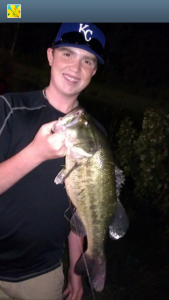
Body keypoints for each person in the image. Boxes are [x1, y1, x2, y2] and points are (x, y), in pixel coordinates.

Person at [0, 23, 106, 300]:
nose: (76, 67)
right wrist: (36, 153)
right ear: (50, 56)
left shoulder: (96, 135)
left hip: (43, 273)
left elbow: (79, 207)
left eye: (87, 60)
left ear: (94, 71)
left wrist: (74, 266)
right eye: (67, 54)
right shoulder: (9, 109)